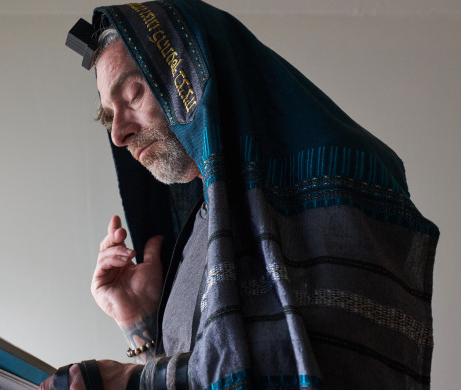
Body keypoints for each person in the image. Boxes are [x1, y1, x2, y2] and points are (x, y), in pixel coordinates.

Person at [44, 1, 439, 389]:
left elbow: (302, 366)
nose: (118, 135)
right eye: (109, 117)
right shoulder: (204, 221)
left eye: (133, 95)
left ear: (195, 85)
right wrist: (140, 322)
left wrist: (130, 382)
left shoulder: (330, 186)